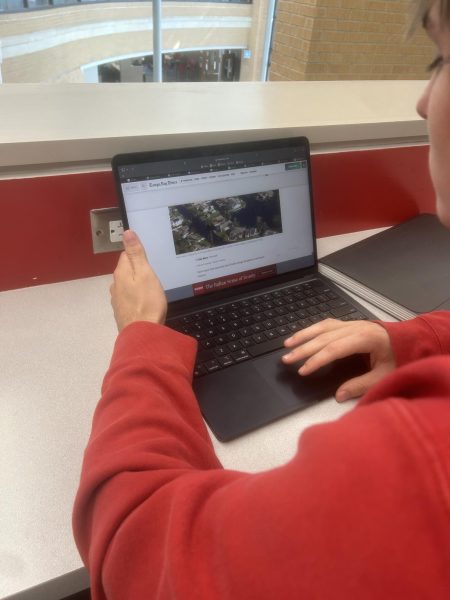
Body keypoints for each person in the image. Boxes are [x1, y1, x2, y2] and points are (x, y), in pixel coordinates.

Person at [73, 1, 450, 597]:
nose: (423, 102)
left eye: (442, 59)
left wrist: (142, 338)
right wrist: (417, 339)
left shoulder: (417, 459)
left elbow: (139, 548)